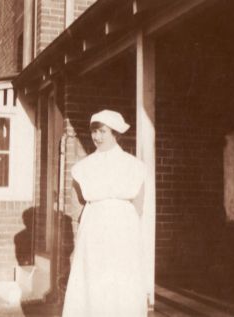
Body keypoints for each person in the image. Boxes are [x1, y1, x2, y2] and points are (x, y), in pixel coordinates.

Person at [62, 109, 148, 317]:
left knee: (121, 281)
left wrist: (126, 230)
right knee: (94, 280)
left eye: (102, 132)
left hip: (123, 229)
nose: (96, 137)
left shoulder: (134, 165)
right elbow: (77, 205)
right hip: (94, 229)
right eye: (94, 132)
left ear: (115, 133)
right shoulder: (84, 167)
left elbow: (139, 204)